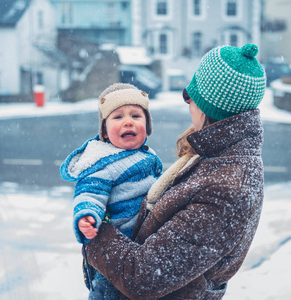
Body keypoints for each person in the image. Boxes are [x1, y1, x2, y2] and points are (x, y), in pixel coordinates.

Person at [83, 43, 266, 300]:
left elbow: (143, 276)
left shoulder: (226, 191)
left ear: (211, 108)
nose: (188, 100)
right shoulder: (216, 157)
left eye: (192, 94)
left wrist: (93, 230)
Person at [60, 83, 163, 300]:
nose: (128, 121)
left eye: (136, 115)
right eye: (118, 117)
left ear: (147, 126)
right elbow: (90, 193)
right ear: (105, 132)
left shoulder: (148, 155)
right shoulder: (102, 163)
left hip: (138, 251)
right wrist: (87, 215)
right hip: (113, 258)